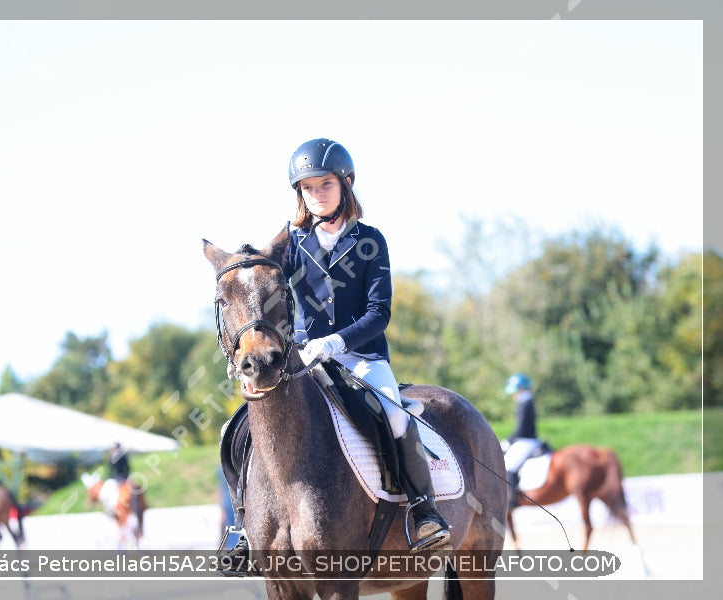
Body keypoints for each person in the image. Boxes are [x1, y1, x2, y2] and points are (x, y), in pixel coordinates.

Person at [222, 138, 451, 566]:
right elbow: (267, 281)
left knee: (397, 417)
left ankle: (423, 512)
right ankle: (242, 527)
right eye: (308, 188)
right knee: (236, 430)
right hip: (305, 362)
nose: (317, 194)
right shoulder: (294, 241)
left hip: (361, 358)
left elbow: (378, 313)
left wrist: (336, 342)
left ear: (345, 183)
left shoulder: (370, 241)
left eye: (324, 184)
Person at [501, 373, 541, 508]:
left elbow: (522, 428)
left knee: (508, 466)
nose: (514, 395)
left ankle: (512, 501)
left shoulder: (526, 403)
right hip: (526, 439)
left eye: (515, 391)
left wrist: (508, 441)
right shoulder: (527, 401)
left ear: (521, 389)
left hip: (526, 440)